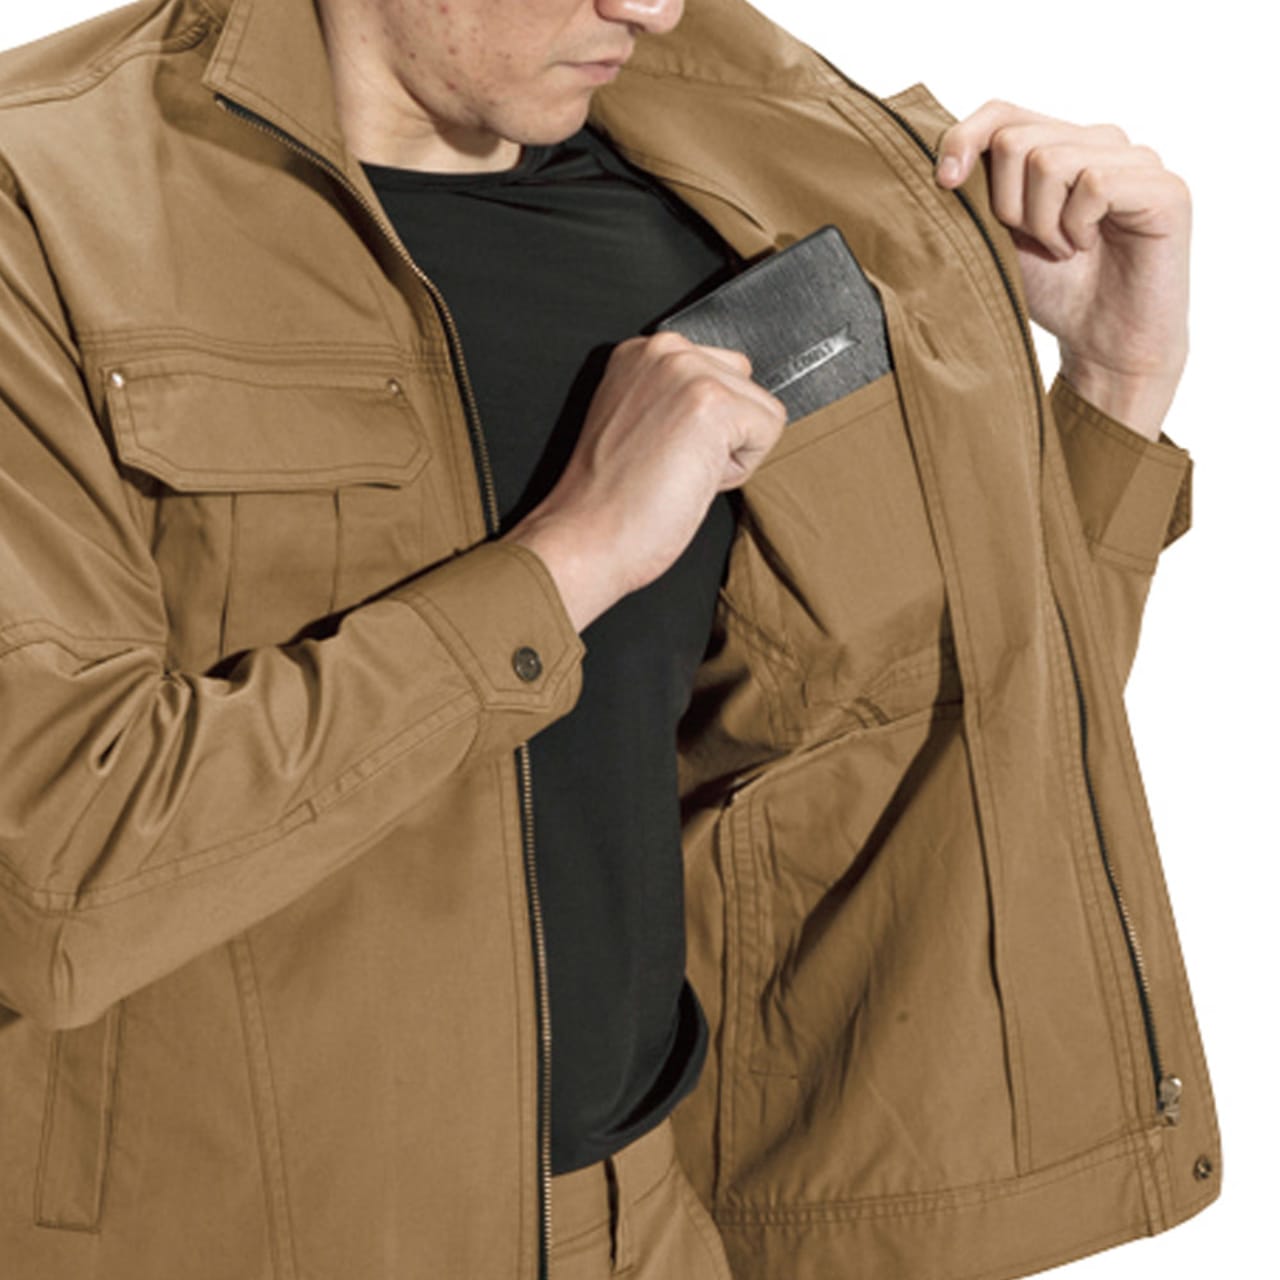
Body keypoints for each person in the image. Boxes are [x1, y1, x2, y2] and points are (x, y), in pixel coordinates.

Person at [0, 0, 1219, 1277]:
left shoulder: (720, 199)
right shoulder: (48, 198)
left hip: (641, 1221)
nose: (651, 6)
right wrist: (567, 559)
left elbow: (901, 739)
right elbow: (55, 877)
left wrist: (1110, 390)